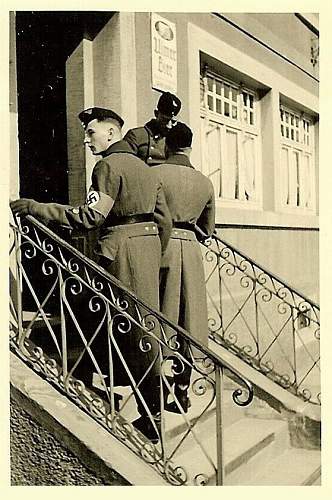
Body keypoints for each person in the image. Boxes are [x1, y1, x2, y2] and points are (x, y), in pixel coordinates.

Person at [10, 106, 172, 442]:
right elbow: (164, 221)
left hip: (118, 253)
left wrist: (36, 208)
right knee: (143, 329)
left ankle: (119, 400)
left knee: (104, 320)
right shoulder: (146, 168)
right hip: (146, 250)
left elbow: (90, 216)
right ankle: (152, 409)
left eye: (91, 133)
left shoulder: (108, 166)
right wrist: (151, 249)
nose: (86, 140)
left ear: (111, 133)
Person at [152, 122, 215, 414]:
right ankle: (182, 388)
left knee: (159, 312)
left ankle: (157, 384)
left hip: (160, 245)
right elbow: (208, 230)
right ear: (190, 147)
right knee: (188, 317)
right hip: (189, 248)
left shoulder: (154, 174)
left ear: (166, 145)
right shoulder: (204, 182)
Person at [123, 92, 181, 166]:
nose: (169, 126)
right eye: (165, 120)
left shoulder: (175, 140)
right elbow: (125, 163)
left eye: (173, 122)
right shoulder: (136, 136)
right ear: (156, 114)